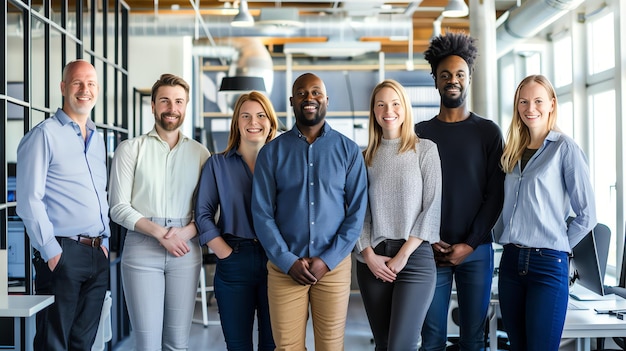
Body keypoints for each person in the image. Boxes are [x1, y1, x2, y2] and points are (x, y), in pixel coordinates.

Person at [251, 72, 368, 351]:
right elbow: (262, 213)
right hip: (284, 268)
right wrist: (286, 260)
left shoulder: (349, 151)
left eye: (316, 92)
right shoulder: (271, 153)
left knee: (330, 346)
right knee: (287, 347)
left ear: (327, 99)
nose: (309, 98)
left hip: (333, 268)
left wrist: (327, 260)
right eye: (302, 93)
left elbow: (356, 214)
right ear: (292, 101)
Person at [416, 32, 505, 351]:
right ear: (436, 82)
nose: (452, 80)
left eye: (459, 74)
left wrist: (469, 244)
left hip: (477, 251)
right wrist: (427, 239)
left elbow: (496, 195)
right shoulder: (420, 133)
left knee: (473, 340)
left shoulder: (488, 132)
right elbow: (412, 196)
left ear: (469, 79)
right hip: (429, 251)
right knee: (432, 340)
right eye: (445, 75)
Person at [108, 73, 210, 350]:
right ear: (153, 105)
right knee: (147, 344)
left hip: (185, 249)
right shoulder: (130, 149)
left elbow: (211, 209)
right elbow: (118, 207)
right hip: (142, 247)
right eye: (165, 100)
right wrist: (161, 233)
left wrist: (184, 233)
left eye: (179, 101)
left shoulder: (201, 154)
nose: (172, 108)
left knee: (177, 344)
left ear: (186, 106)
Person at [495, 74, 596, 351]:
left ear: (552, 104)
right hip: (511, 262)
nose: (531, 108)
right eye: (524, 102)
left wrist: (558, 245)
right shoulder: (512, 152)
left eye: (538, 101)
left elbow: (587, 214)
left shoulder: (565, 149)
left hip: (548, 265)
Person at [16, 59, 110, 350]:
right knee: (53, 343)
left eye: (91, 84)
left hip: (97, 254)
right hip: (62, 253)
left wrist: (105, 242)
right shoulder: (44, 135)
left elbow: (100, 195)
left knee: (83, 343)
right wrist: (52, 252)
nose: (85, 90)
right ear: (63, 87)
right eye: (77, 83)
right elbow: (29, 200)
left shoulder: (98, 139)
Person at [356, 79, 442, 350]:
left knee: (400, 346)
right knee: (383, 344)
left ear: (405, 108)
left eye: (395, 103)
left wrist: (403, 255)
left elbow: (432, 206)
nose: (388, 110)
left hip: (414, 258)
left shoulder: (425, 149)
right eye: (380, 104)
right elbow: (358, 212)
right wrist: (368, 255)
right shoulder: (364, 156)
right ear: (373, 111)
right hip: (373, 260)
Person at [195, 91, 278, 351]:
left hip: (277, 262)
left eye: (260, 115)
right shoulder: (217, 164)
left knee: (273, 345)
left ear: (271, 122)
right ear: (237, 123)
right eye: (246, 116)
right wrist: (225, 253)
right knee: (238, 346)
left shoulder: (284, 164)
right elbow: (203, 213)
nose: (254, 121)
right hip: (234, 262)